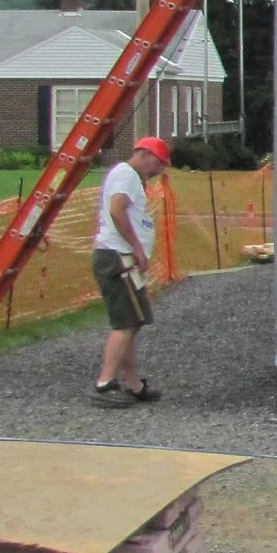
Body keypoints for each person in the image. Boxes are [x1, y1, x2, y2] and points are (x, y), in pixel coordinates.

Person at [91, 134, 171, 407]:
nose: (158, 171)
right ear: (145, 155)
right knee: (126, 322)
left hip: (119, 257)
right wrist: (136, 247)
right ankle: (104, 383)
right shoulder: (126, 174)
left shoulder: (129, 176)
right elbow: (117, 210)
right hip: (118, 257)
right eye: (158, 165)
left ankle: (134, 384)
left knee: (132, 320)